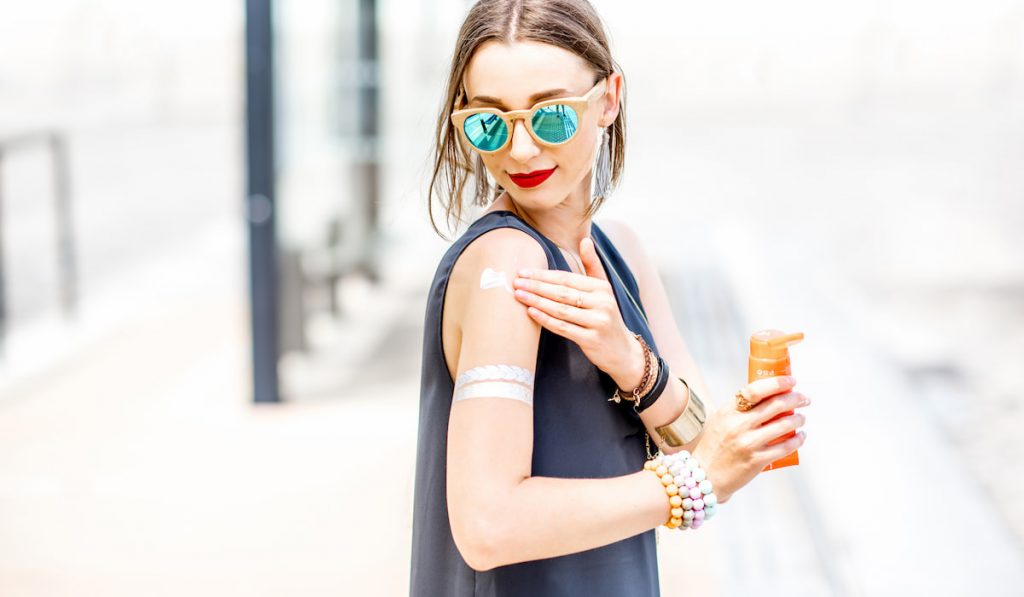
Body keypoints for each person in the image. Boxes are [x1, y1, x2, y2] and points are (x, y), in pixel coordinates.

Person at [409, 1, 811, 595]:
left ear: (608, 99)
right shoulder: (507, 265)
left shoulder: (620, 250)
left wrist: (632, 363)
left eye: (550, 117)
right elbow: (487, 525)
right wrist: (692, 478)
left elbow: (705, 446)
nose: (521, 151)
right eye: (490, 123)